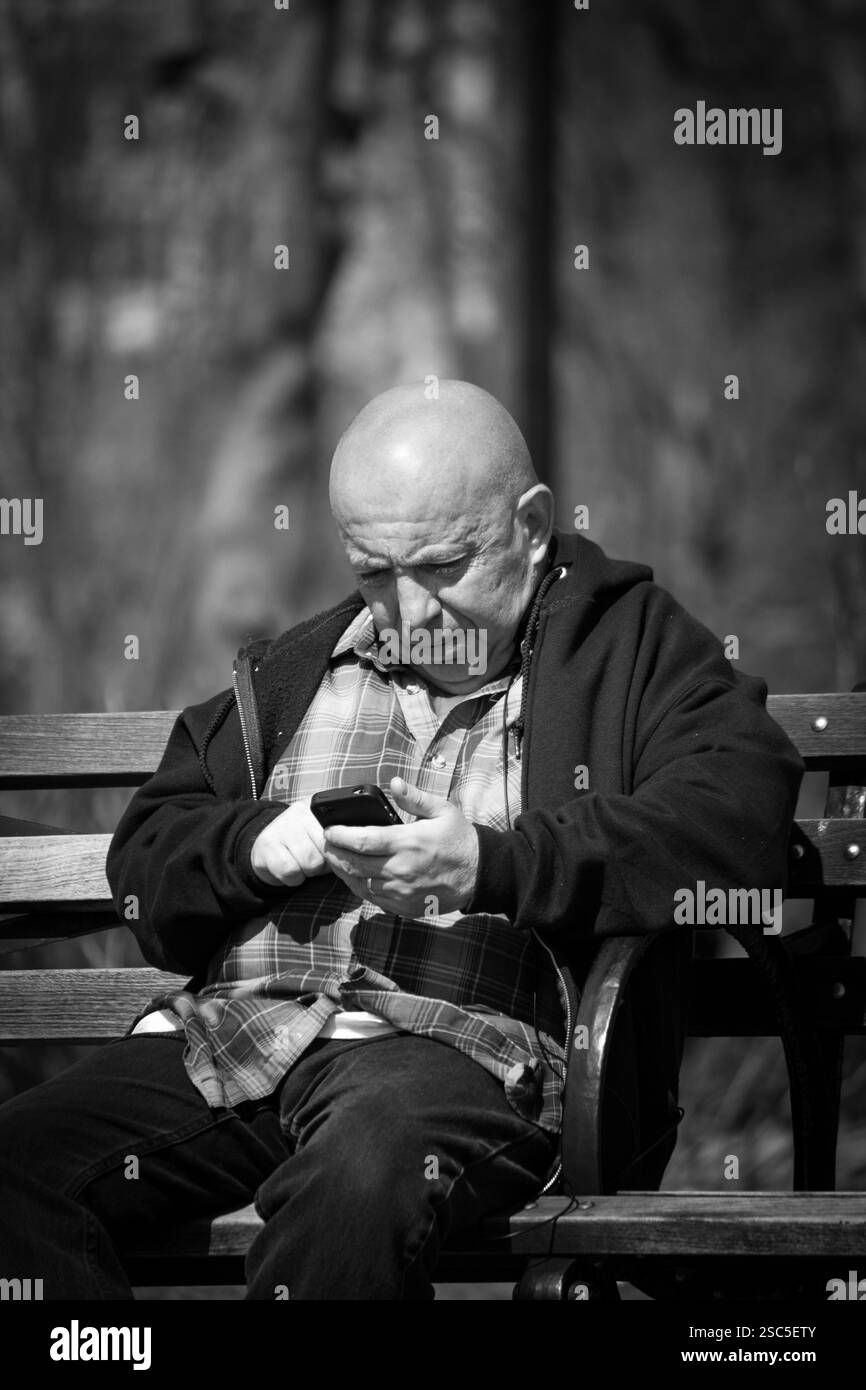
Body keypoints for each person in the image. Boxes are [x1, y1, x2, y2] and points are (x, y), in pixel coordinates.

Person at [0, 380, 803, 1300]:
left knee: (359, 1177)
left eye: (441, 567)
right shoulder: (299, 667)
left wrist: (492, 865)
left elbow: (737, 813)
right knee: (17, 1167)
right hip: (239, 1041)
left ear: (532, 525)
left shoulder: (626, 648)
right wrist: (258, 845)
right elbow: (147, 853)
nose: (409, 611)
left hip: (464, 1061)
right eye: (374, 573)